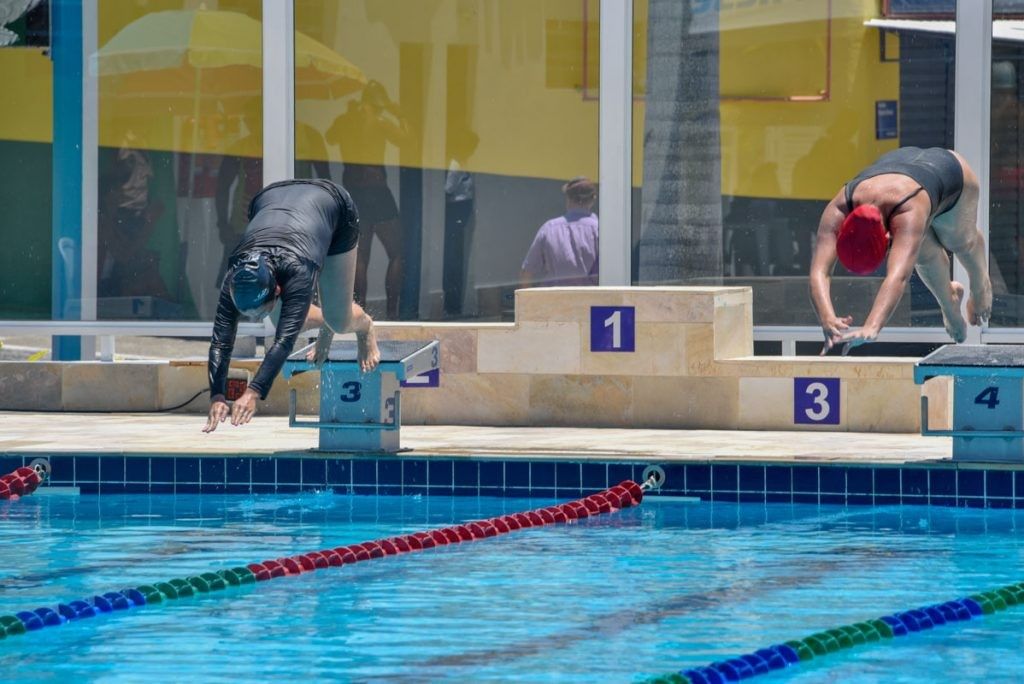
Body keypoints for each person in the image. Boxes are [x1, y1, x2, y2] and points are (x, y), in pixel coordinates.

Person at [203, 179, 380, 433]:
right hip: (271, 200)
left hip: (334, 208)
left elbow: (283, 342)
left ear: (278, 289)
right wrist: (217, 395)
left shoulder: (298, 271)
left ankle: (365, 327)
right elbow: (220, 342)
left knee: (339, 320)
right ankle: (326, 325)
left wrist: (253, 392)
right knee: (282, 321)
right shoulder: (235, 276)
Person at [810, 147, 992, 354]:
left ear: (888, 237)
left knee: (958, 241)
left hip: (950, 172)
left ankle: (981, 286)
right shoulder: (838, 208)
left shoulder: (908, 211)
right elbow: (819, 272)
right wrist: (826, 318)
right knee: (922, 254)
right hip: (901, 167)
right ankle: (949, 303)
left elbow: (897, 277)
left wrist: (872, 326)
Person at [326, 81, 410, 319]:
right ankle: (393, 314)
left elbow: (330, 137)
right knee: (397, 253)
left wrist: (348, 117)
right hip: (377, 190)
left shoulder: (347, 121)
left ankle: (359, 312)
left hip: (354, 191)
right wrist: (400, 114)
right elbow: (406, 140)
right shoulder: (380, 122)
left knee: (360, 257)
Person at [520, 177, 599, 288]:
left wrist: (528, 304)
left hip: (554, 302)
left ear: (568, 199)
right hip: (592, 301)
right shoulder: (601, 230)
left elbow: (527, 273)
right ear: (593, 200)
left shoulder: (549, 228)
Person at [443, 128, 479, 317]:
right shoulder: (455, 163)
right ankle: (452, 305)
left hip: (462, 211)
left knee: (459, 255)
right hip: (456, 210)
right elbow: (448, 188)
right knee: (454, 255)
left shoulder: (463, 162)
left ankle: (456, 303)